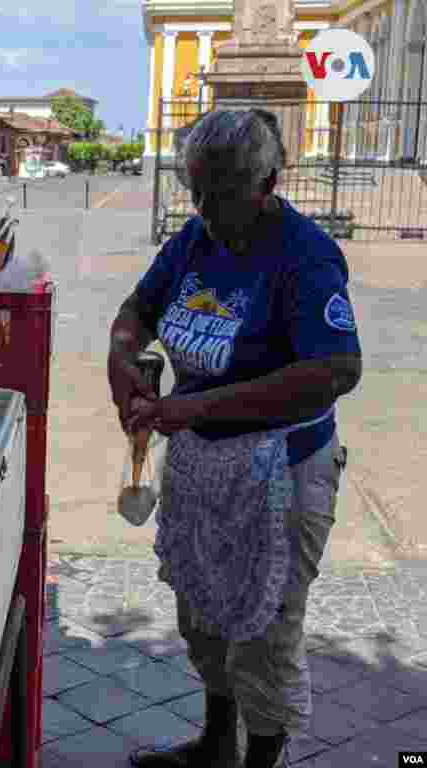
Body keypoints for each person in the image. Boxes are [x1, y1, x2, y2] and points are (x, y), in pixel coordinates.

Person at [108, 108, 362, 768]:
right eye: (197, 190)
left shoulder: (305, 257)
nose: (206, 209)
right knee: (204, 616)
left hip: (281, 470)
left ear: (268, 182)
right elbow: (137, 311)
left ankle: (261, 759)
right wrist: (123, 365)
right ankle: (217, 744)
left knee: (265, 633)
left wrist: (201, 406)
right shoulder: (193, 241)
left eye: (223, 194)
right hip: (201, 464)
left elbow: (335, 370)